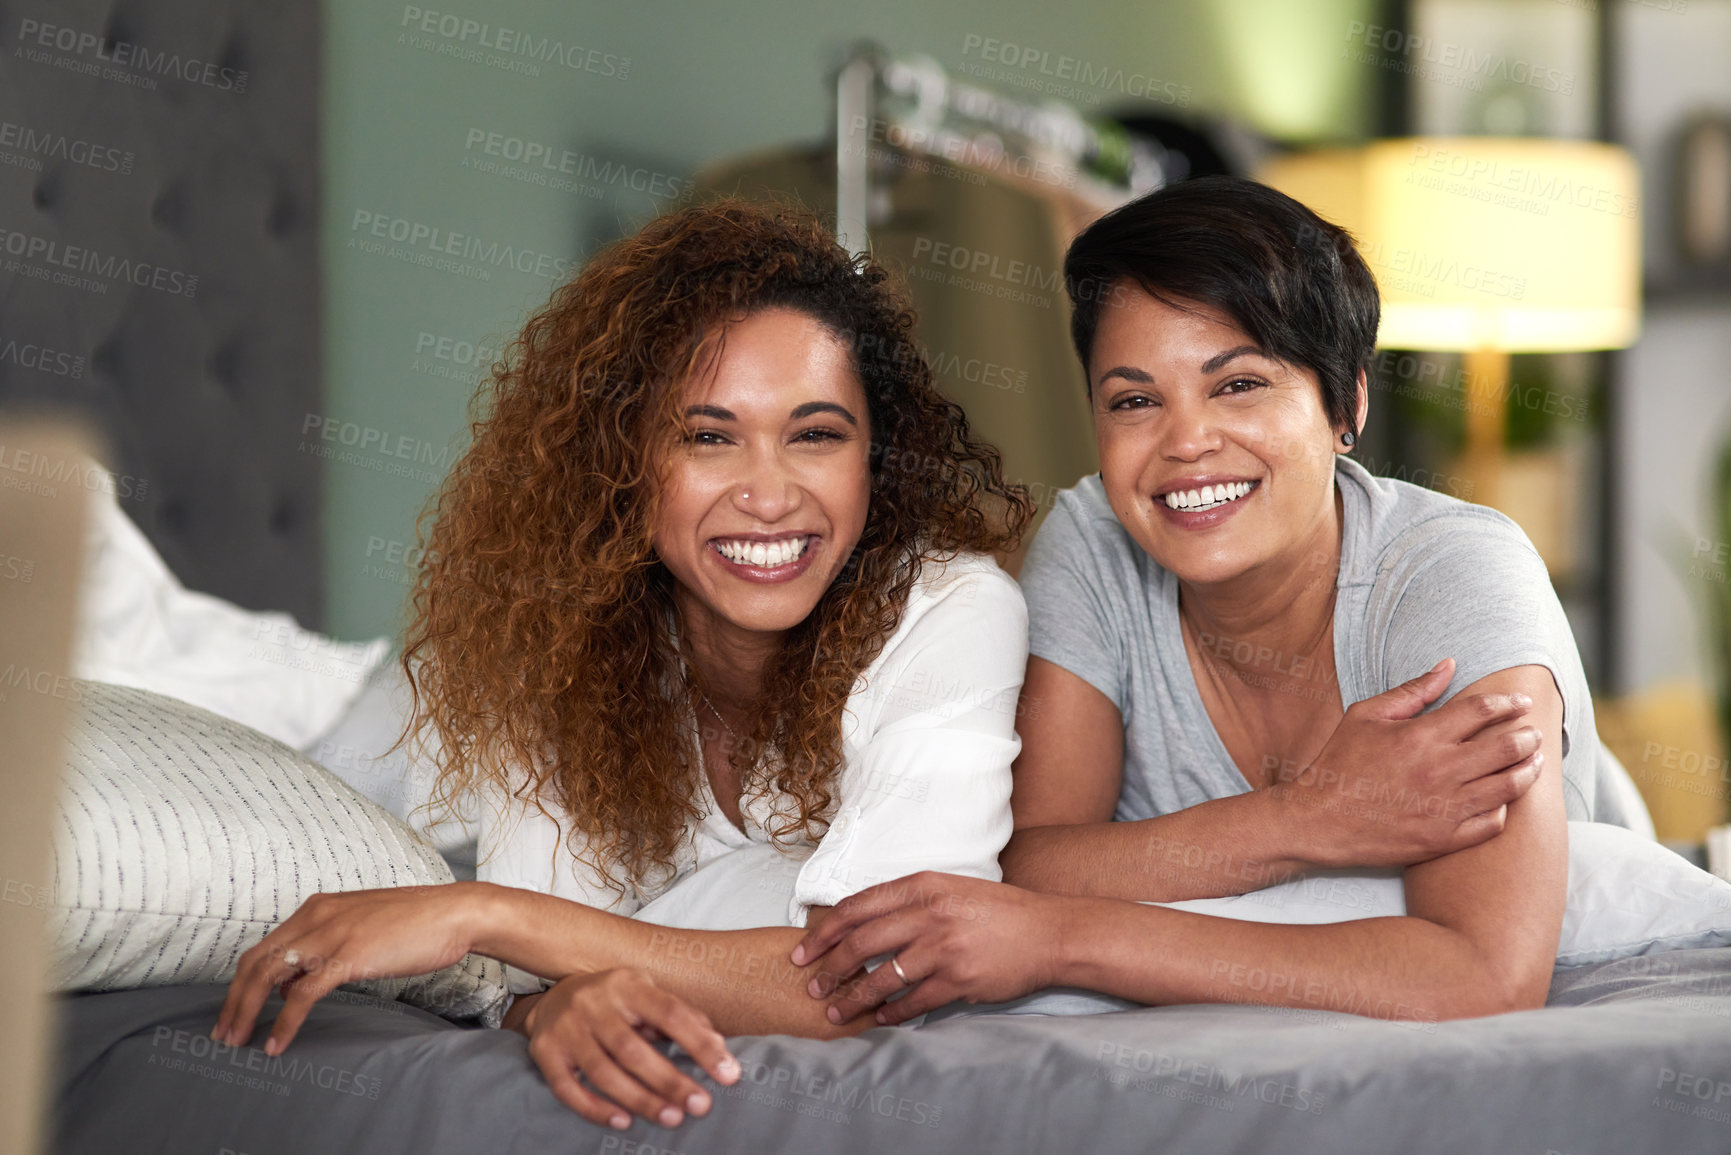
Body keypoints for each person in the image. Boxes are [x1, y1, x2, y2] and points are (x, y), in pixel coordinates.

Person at [210, 199, 1034, 1130]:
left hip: (456, 852)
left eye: (816, 434)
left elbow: (874, 977)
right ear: (623, 462)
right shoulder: (553, 638)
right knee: (249, 724)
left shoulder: (951, 611)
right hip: (373, 757)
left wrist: (486, 917)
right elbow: (530, 975)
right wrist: (541, 1001)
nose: (769, 495)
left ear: (873, 460)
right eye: (707, 436)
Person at [790, 175, 1650, 1030]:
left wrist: (1064, 941)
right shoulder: (1095, 540)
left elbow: (1478, 976)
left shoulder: (1450, 573)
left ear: (1345, 399)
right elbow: (1026, 860)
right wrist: (1305, 818)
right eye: (1133, 400)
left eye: (1237, 384)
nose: (1186, 443)